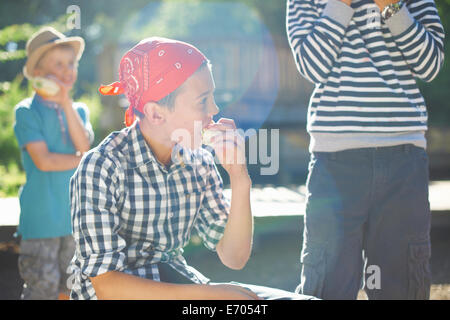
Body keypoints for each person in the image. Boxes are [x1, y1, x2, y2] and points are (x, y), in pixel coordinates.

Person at [68, 37, 317, 300]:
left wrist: (239, 176)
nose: (215, 109)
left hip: (180, 287)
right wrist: (213, 296)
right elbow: (107, 286)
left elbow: (234, 256)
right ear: (155, 114)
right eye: (203, 101)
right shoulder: (101, 167)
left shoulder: (199, 161)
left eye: (213, 97)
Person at [286, 0, 444, 299]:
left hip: (403, 157)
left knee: (401, 284)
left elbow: (430, 65)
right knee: (327, 283)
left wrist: (391, 6)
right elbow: (311, 66)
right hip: (334, 161)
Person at [13, 27, 94, 300]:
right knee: (42, 288)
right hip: (42, 221)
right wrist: (81, 161)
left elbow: (84, 146)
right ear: (38, 72)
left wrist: (65, 103)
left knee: (71, 289)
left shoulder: (79, 110)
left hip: (73, 220)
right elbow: (45, 161)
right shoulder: (27, 111)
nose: (66, 70)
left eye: (70, 63)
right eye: (57, 64)